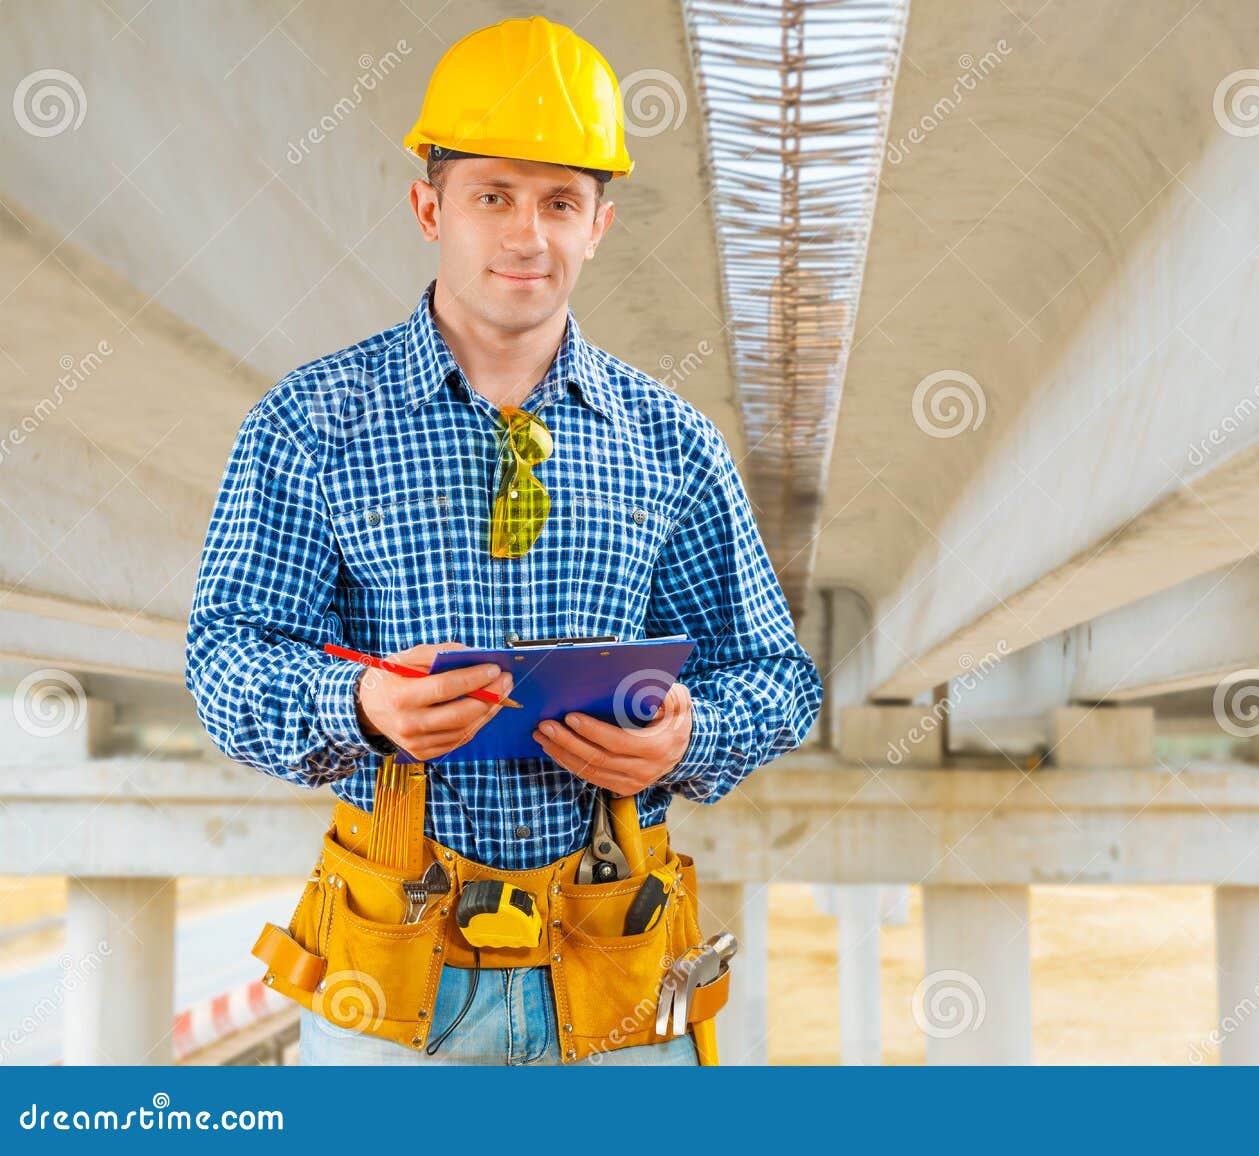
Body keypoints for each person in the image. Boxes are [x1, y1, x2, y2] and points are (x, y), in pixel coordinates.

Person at [183, 15, 822, 1066]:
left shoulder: (673, 444)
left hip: (614, 979)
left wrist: (687, 737)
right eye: (493, 196)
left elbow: (777, 678)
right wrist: (363, 704)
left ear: (598, 225)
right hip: (392, 985)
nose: (527, 234)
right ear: (430, 207)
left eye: (559, 201)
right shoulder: (311, 422)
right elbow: (227, 660)